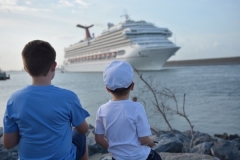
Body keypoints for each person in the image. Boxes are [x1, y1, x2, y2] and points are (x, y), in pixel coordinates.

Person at [3, 40, 90, 160]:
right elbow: (84, 129)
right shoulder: (69, 97)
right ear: (54, 66)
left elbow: (8, 144)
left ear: (25, 68)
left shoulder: (14, 100)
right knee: (80, 136)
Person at [95, 60, 162, 160]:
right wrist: (151, 142)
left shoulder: (102, 110)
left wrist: (116, 149)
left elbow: (99, 139)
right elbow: (144, 139)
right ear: (132, 86)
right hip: (141, 157)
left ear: (107, 88)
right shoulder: (137, 107)